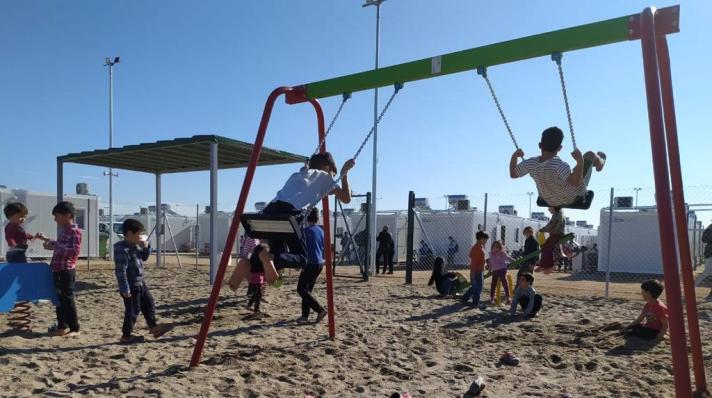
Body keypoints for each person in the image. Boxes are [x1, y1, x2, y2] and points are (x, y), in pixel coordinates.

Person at [509, 126, 606, 208]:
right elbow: (575, 182)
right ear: (560, 148)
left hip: (549, 200)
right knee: (590, 155)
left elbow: (513, 174)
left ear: (540, 145)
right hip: (572, 198)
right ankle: (600, 162)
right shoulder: (559, 165)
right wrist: (580, 161)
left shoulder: (530, 163)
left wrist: (514, 156)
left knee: (571, 173)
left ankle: (593, 163)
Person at [113, 219, 172, 344]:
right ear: (129, 234)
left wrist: (146, 247)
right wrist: (124, 288)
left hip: (140, 282)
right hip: (131, 285)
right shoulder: (122, 249)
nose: (140, 237)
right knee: (133, 310)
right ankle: (126, 335)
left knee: (149, 302)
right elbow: (120, 271)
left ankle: (154, 327)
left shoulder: (135, 246)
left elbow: (144, 258)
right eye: (138, 234)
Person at [34, 202, 82, 337]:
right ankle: (61, 327)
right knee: (58, 298)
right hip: (58, 269)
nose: (55, 219)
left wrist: (54, 247)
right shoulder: (65, 231)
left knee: (67, 298)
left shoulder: (75, 231)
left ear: (67, 215)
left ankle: (75, 328)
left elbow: (74, 251)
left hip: (66, 270)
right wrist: (46, 239)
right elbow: (60, 245)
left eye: (57, 216)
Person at [296, 208, 328, 324]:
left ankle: (320, 310)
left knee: (301, 289)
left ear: (307, 218)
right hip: (319, 263)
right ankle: (305, 316)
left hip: (310, 263)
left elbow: (303, 249)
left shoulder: (305, 231)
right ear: (317, 218)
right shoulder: (321, 231)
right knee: (307, 290)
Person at [534, 207, 565, 274]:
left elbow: (550, 225)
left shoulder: (556, 214)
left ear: (553, 207)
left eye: (549, 207)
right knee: (546, 248)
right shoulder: (559, 214)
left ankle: (550, 266)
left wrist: (542, 230)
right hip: (556, 234)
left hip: (556, 234)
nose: (548, 209)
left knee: (546, 248)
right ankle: (544, 265)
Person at [461, 231, 489, 306]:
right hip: (477, 271)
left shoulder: (479, 247)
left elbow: (472, 257)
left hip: (479, 270)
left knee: (474, 287)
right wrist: (473, 273)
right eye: (485, 239)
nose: (486, 241)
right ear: (481, 239)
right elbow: (473, 262)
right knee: (478, 288)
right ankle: (475, 303)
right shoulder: (477, 248)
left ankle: (464, 298)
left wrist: (484, 264)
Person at [245, 243, 269, 319]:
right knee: (258, 294)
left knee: (258, 294)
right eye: (265, 252)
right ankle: (251, 307)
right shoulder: (257, 259)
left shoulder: (255, 257)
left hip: (258, 277)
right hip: (256, 277)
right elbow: (260, 267)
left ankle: (254, 308)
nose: (266, 253)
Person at [487, 240, 514, 305]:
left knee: (504, 280)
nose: (495, 248)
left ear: (500, 247)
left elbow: (508, 257)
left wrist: (514, 260)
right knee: (493, 283)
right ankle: (491, 298)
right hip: (494, 270)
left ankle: (508, 298)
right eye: (494, 246)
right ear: (492, 247)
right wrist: (489, 270)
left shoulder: (502, 253)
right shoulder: (491, 254)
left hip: (502, 269)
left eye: (497, 247)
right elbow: (490, 263)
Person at [694, 222, 712, 300]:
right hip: (710, 252)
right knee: (707, 272)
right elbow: (704, 239)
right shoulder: (709, 229)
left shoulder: (709, 228)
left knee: (707, 272)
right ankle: (691, 287)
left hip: (709, 252)